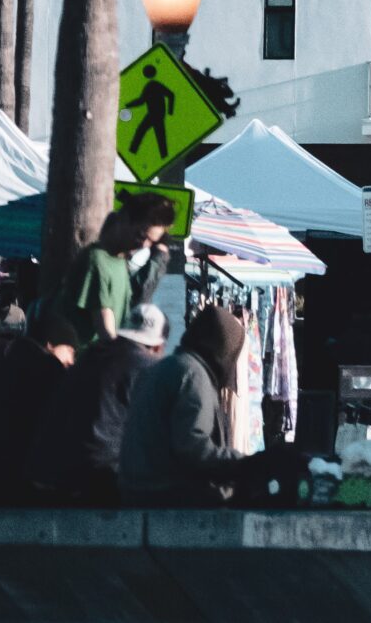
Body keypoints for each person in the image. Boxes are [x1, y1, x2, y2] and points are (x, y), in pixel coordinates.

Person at [31, 303, 167, 504]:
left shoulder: (91, 355)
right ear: (158, 346)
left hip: (54, 472)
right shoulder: (150, 368)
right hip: (105, 477)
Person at [120, 304, 250, 506]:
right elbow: (192, 448)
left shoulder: (163, 367)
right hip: (165, 496)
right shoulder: (193, 374)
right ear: (225, 350)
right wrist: (244, 463)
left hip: (138, 491)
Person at [55, 199, 177, 352]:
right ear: (125, 220)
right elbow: (105, 326)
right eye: (141, 235)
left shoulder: (120, 263)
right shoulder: (97, 260)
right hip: (82, 365)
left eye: (151, 242)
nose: (144, 245)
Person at [0, 312, 77, 505]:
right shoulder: (51, 371)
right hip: (26, 481)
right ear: (50, 344)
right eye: (71, 351)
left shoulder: (5, 358)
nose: (72, 361)